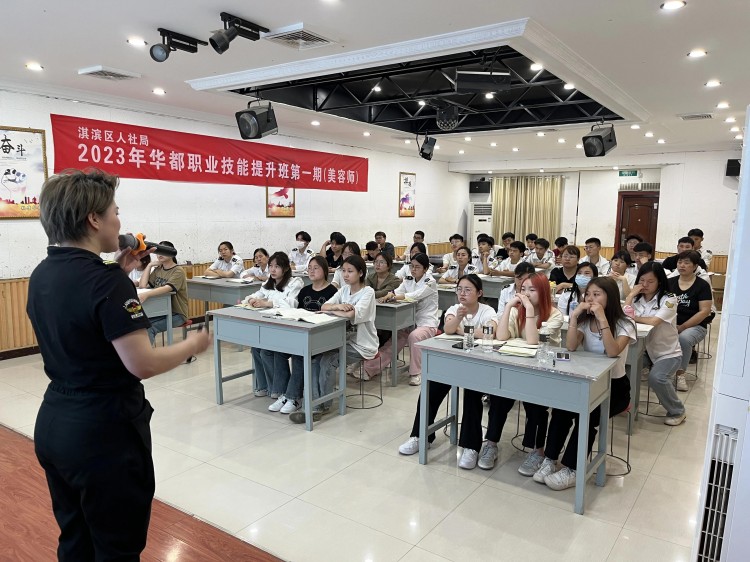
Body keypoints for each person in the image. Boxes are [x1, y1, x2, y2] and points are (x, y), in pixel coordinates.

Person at [27, 169, 210, 560]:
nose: (119, 220)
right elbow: (141, 363)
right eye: (114, 210)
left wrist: (121, 272)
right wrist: (192, 343)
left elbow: (84, 323)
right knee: (117, 547)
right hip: (102, 432)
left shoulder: (43, 273)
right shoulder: (107, 283)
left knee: (75, 536)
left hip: (55, 420)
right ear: (94, 219)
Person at [535, 277, 636, 490]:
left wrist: (602, 319)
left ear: (610, 297)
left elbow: (612, 352)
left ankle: (572, 468)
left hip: (614, 388)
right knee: (562, 409)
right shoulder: (583, 322)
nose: (590, 299)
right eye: (588, 294)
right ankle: (550, 459)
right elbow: (571, 346)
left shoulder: (625, 323)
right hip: (588, 382)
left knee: (587, 416)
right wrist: (573, 318)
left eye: (597, 294)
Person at [467, 273, 563, 472]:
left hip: (541, 372)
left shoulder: (555, 314)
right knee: (499, 400)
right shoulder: (515, 310)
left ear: (543, 291)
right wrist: (510, 307)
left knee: (536, 407)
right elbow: (501, 336)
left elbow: (532, 341)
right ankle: (491, 444)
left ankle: (537, 451)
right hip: (514, 366)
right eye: (523, 289)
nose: (526, 293)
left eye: (532, 290)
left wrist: (528, 310)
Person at [397, 274, 495, 460]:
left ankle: (470, 446)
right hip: (452, 361)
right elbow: (449, 329)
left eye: (468, 290)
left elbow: (489, 333)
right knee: (429, 391)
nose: (462, 294)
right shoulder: (454, 308)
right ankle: (420, 436)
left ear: (479, 293)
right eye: (460, 289)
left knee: (473, 396)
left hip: (476, 365)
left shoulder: (487, 311)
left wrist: (462, 329)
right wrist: (458, 321)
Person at [291, 255, 378, 424]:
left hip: (363, 344)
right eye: (343, 271)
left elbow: (353, 314)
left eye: (350, 271)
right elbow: (324, 307)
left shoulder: (368, 292)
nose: (345, 275)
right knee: (315, 358)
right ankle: (315, 405)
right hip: (342, 341)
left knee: (328, 360)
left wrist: (337, 310)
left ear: (360, 273)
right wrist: (338, 307)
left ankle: (322, 404)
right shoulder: (344, 290)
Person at [266, 256, 338, 415]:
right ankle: (283, 393)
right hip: (301, 333)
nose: (311, 271)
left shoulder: (332, 291)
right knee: (279, 350)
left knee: (299, 355)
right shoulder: (305, 290)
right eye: (309, 267)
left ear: (325, 270)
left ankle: (294, 397)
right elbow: (295, 312)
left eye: (316, 268)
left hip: (321, 336)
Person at [624, 261, 687, 426]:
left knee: (657, 378)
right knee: (623, 370)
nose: (645, 285)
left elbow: (654, 321)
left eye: (650, 281)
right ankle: (625, 404)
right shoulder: (637, 299)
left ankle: (677, 411)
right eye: (642, 280)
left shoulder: (670, 299)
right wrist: (630, 295)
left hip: (668, 353)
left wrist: (633, 317)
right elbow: (623, 317)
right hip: (644, 350)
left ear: (660, 281)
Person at [364, 252, 439, 386]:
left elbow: (415, 295)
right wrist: (390, 294)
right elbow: (399, 290)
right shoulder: (408, 278)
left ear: (426, 269)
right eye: (412, 266)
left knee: (414, 337)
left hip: (426, 323)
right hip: (407, 320)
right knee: (394, 340)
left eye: (417, 267)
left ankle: (416, 373)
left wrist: (395, 297)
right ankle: (370, 368)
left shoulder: (430, 282)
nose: (413, 270)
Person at [243, 252, 305, 398]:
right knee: (255, 347)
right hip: (269, 323)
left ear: (285, 268)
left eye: (277, 266)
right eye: (270, 266)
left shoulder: (295, 282)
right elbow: (257, 294)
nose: (272, 270)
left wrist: (268, 303)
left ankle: (278, 388)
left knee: (267, 350)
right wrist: (252, 300)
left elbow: (291, 303)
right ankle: (265, 385)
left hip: (287, 327)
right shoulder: (268, 283)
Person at [667, 250, 713, 392]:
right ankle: (658, 369)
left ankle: (680, 374)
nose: (682, 265)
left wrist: (683, 326)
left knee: (684, 339)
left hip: (696, 326)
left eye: (687, 263)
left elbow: (704, 311)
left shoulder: (702, 285)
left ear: (695, 266)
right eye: (680, 262)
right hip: (670, 323)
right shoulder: (669, 283)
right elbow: (664, 304)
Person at [137, 241, 190, 349]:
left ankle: (147, 359)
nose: (159, 254)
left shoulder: (178, 271)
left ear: (172, 253)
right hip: (161, 310)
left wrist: (147, 295)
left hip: (177, 314)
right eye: (158, 251)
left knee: (149, 328)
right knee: (139, 325)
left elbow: (167, 288)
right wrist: (150, 265)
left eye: (163, 251)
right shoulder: (158, 269)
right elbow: (143, 285)